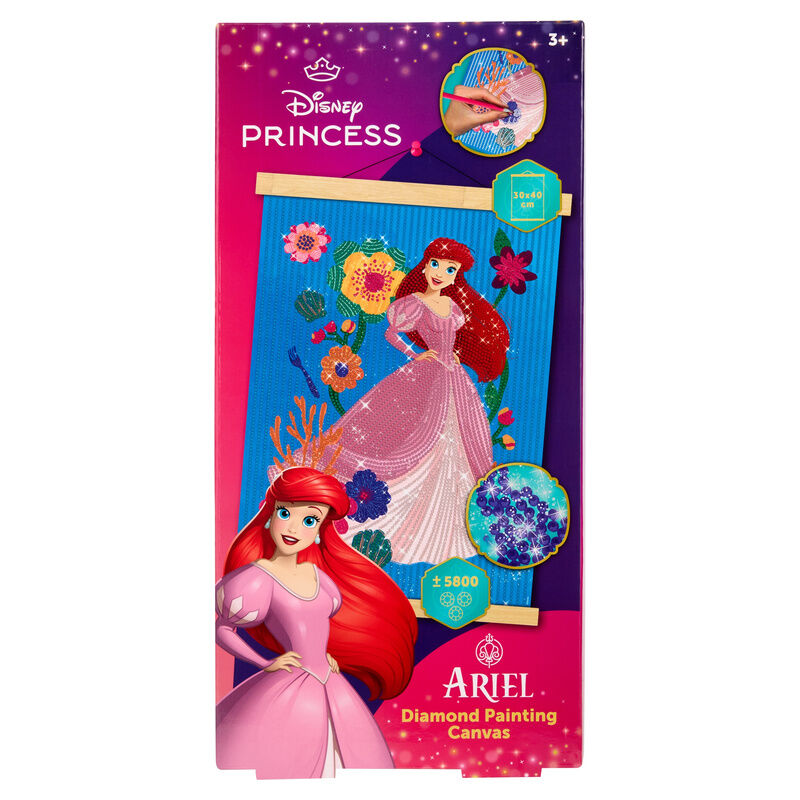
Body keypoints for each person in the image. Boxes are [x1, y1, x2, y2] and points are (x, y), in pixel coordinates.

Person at [215, 467, 417, 779]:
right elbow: (222, 630)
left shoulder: (320, 578)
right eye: (285, 513)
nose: (294, 528)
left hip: (330, 681)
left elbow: (316, 625)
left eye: (309, 520)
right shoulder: (257, 578)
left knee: (352, 756)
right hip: (290, 683)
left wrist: (328, 654)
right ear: (270, 515)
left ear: (321, 529)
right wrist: (264, 662)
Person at [331, 237, 510, 564]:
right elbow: (391, 333)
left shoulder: (453, 307)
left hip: (454, 377)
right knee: (418, 433)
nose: (441, 273)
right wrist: (417, 354)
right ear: (425, 267)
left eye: (450, 269)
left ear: (457, 276)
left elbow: (452, 337)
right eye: (435, 265)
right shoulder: (413, 303)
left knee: (463, 437)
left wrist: (454, 356)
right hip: (427, 375)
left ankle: (453, 518)